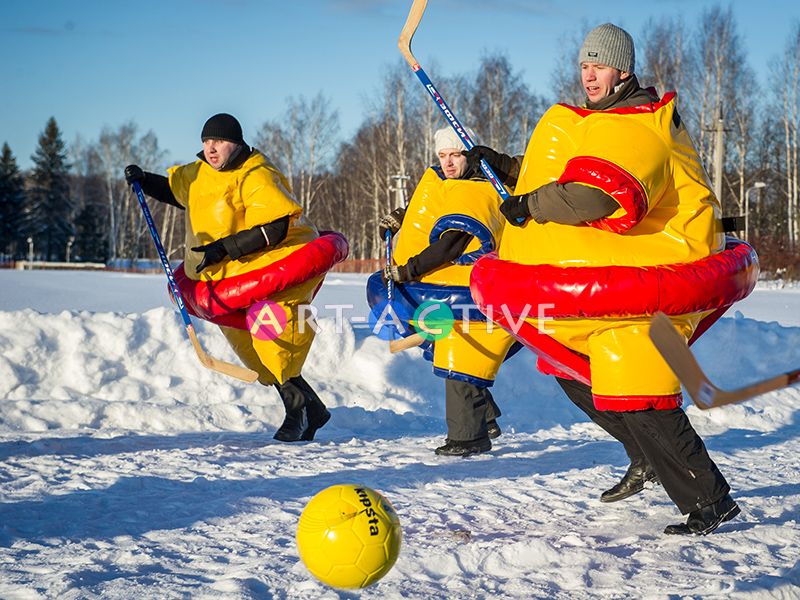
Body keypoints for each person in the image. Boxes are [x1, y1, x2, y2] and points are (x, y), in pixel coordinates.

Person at [465, 24, 745, 535]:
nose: (588, 74)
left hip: (652, 281)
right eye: (583, 66)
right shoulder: (604, 122)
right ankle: (645, 461)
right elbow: (563, 173)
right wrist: (506, 169)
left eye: (599, 65)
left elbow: (604, 194)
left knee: (638, 390)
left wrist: (529, 206)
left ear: (623, 69)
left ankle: (709, 499)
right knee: (575, 376)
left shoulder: (640, 122)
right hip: (614, 286)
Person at [125, 113, 338, 443]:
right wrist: (143, 179)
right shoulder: (197, 174)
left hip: (279, 264)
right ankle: (314, 408)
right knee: (250, 350)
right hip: (227, 276)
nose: (211, 148)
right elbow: (174, 190)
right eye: (206, 142)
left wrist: (223, 249)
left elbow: (275, 227)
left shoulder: (256, 173)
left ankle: (296, 413)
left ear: (236, 143)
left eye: (219, 142)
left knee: (273, 335)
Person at [375, 126, 516, 457]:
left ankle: (469, 437)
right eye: (442, 156)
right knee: (449, 349)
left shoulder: (480, 191)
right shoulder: (448, 184)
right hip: (440, 286)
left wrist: (407, 271)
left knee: (461, 356)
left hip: (467, 288)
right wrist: (402, 218)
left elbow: (451, 243)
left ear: (470, 155)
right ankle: (484, 417)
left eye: (456, 155)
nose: (448, 163)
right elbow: (429, 217)